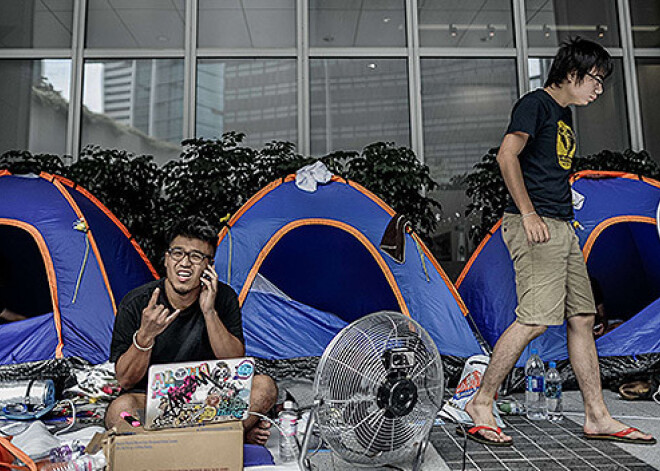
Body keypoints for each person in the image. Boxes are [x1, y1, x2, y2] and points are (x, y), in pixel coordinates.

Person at [463, 37, 655, 446]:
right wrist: (531, 214)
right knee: (534, 319)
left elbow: (548, 171)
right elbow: (506, 155)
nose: (598, 90)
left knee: (583, 318)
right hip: (537, 226)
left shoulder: (563, 115)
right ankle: (481, 402)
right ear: (572, 73)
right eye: (595, 80)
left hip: (561, 226)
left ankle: (597, 416)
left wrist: (565, 213)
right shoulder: (535, 103)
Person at [105, 217, 277, 445]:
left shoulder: (223, 298)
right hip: (154, 402)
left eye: (196, 257)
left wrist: (209, 312)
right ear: (166, 260)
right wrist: (146, 336)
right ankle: (226, 436)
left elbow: (235, 360)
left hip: (210, 399)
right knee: (120, 410)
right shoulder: (137, 303)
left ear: (209, 266)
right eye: (178, 253)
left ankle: (180, 443)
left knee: (264, 387)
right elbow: (125, 380)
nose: (185, 263)